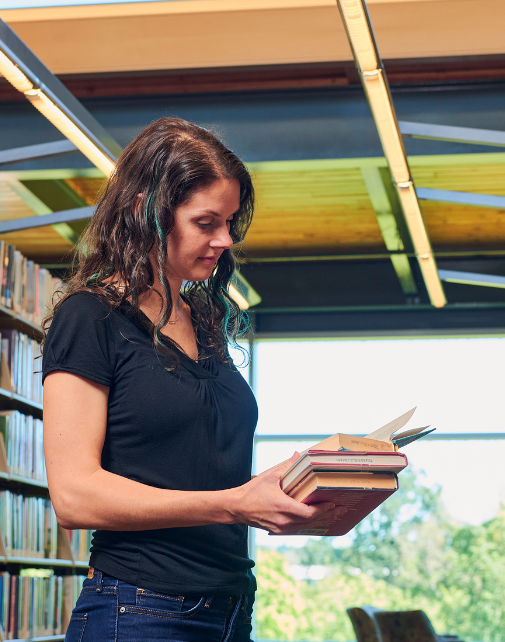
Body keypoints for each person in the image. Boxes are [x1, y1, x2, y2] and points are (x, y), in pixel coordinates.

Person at [41, 117, 344, 642]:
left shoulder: (204, 322)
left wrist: (289, 482)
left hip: (229, 608)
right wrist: (233, 502)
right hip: (138, 611)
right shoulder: (90, 318)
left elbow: (197, 463)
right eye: (207, 223)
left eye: (229, 223)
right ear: (145, 211)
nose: (225, 240)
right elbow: (74, 496)